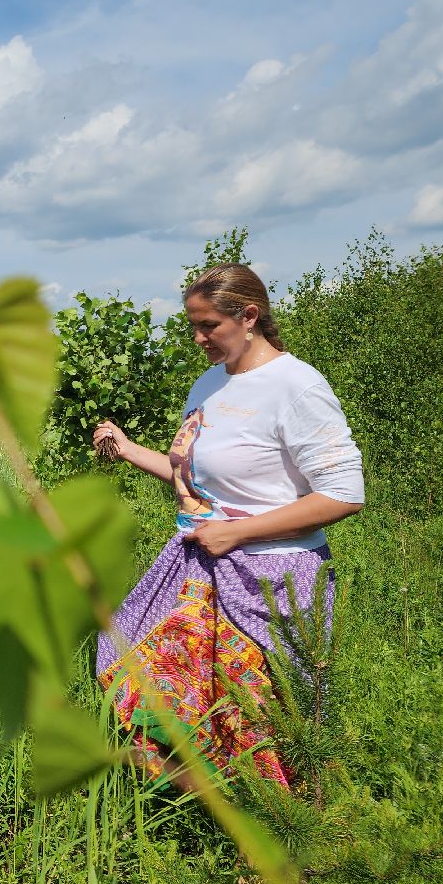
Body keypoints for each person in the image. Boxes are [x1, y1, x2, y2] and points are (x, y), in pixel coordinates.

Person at [92, 263, 363, 786]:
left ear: (250, 317)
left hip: (271, 576)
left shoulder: (296, 387)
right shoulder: (210, 384)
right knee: (147, 677)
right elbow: (192, 476)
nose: (198, 339)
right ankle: (219, 816)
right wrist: (127, 450)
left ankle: (289, 834)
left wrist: (237, 532)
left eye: (209, 326)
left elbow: (345, 495)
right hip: (200, 566)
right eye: (193, 326)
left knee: (260, 719)